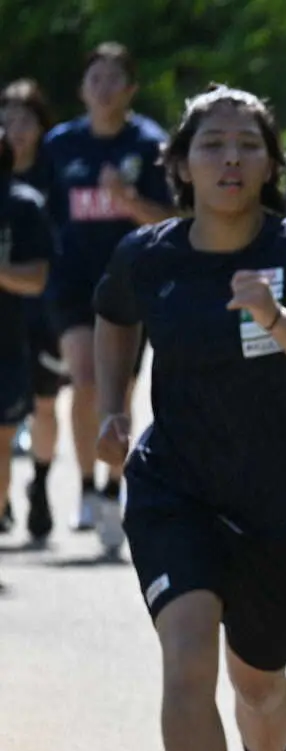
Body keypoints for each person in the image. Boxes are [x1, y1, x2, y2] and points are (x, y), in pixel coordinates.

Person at [93, 84, 286, 751]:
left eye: (248, 145)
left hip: (276, 503)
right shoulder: (148, 256)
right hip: (173, 489)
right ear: (180, 163)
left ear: (272, 163)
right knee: (187, 661)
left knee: (259, 683)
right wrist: (111, 406)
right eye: (211, 144)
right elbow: (114, 316)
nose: (231, 159)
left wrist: (276, 318)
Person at [42, 41, 173, 554]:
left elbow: (173, 220)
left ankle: (113, 486)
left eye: (114, 78)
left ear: (131, 88)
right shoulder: (60, 145)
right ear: (82, 88)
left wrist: (128, 200)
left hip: (130, 282)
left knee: (118, 390)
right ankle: (85, 486)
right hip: (72, 283)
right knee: (86, 379)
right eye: (94, 78)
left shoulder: (150, 144)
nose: (103, 88)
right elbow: (38, 209)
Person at [2, 78, 64, 543]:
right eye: (7, 118)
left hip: (42, 310)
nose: (14, 128)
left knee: (44, 401)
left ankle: (40, 485)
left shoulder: (53, 175)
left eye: (24, 120)